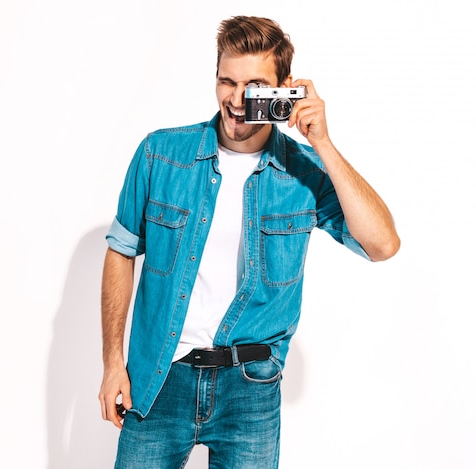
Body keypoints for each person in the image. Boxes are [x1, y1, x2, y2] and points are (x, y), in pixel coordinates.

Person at [98, 15, 400, 469]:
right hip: (160, 376)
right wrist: (111, 363)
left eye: (255, 85)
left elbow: (383, 244)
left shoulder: (304, 174)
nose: (237, 100)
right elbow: (120, 251)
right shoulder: (160, 154)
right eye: (227, 82)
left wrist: (323, 143)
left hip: (251, 389)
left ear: (285, 87)